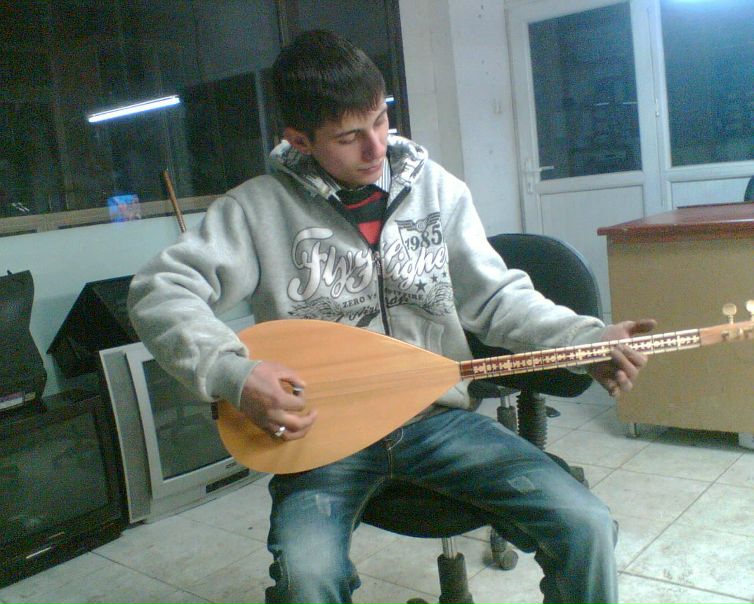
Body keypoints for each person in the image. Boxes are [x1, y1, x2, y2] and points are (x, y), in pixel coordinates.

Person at [128, 29, 655, 604]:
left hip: (437, 420)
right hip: (324, 437)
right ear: (299, 140)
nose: (376, 147)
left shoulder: (437, 191)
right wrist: (234, 372)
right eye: (349, 136)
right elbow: (160, 291)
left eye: (381, 120)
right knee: (307, 579)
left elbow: (496, 297)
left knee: (585, 524)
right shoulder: (254, 210)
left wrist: (586, 338)